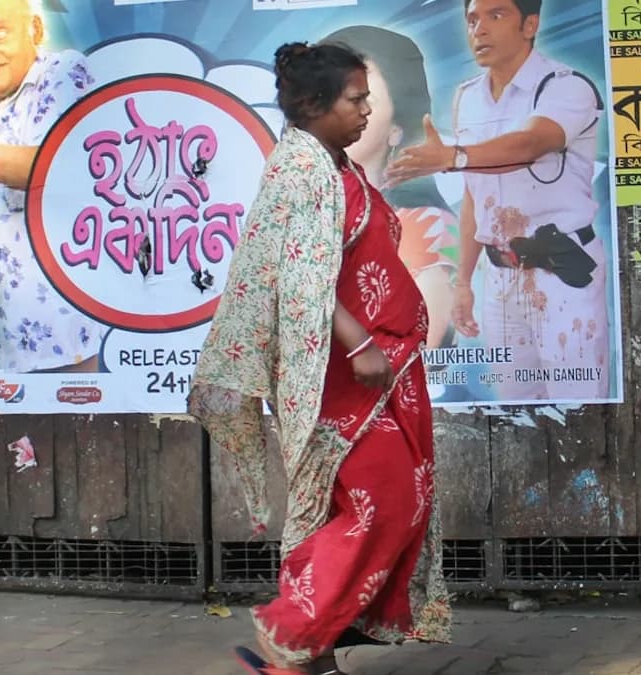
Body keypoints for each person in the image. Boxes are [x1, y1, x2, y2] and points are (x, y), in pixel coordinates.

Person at [188, 41, 450, 674]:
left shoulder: (336, 165)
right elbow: (297, 273)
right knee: (384, 501)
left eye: (367, 99)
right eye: (355, 99)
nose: (366, 110)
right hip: (344, 373)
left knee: (392, 498)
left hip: (386, 370)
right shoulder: (302, 168)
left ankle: (312, 660)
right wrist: (359, 342)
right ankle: (291, 632)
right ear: (312, 105)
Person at [388, 0, 609, 401]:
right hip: (500, 275)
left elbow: (531, 143)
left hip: (562, 271)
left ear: (530, 25)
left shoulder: (564, 86)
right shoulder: (468, 97)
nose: (480, 30)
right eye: (472, 19)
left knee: (577, 405)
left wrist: (454, 157)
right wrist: (465, 283)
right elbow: (475, 196)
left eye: (496, 15)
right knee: (515, 407)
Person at [0, 0, 104, 372]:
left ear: (34, 29)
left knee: (73, 430)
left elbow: (50, 164)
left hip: (59, 332)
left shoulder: (63, 70)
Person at [325, 25, 460, 353]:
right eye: (326, 94)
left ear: (397, 128)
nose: (338, 109)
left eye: (360, 98)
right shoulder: (300, 203)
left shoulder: (423, 226)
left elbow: (419, 347)